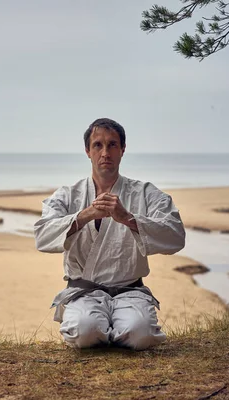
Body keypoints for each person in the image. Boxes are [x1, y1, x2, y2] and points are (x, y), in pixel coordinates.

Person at [33, 118, 185, 350]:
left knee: (140, 335)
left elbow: (176, 235)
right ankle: (101, 326)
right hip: (84, 292)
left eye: (112, 145)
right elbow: (42, 235)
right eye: (98, 145)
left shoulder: (144, 193)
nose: (105, 152)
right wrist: (84, 215)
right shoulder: (68, 195)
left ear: (123, 150)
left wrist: (128, 219)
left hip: (130, 289)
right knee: (85, 332)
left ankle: (116, 327)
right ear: (87, 151)